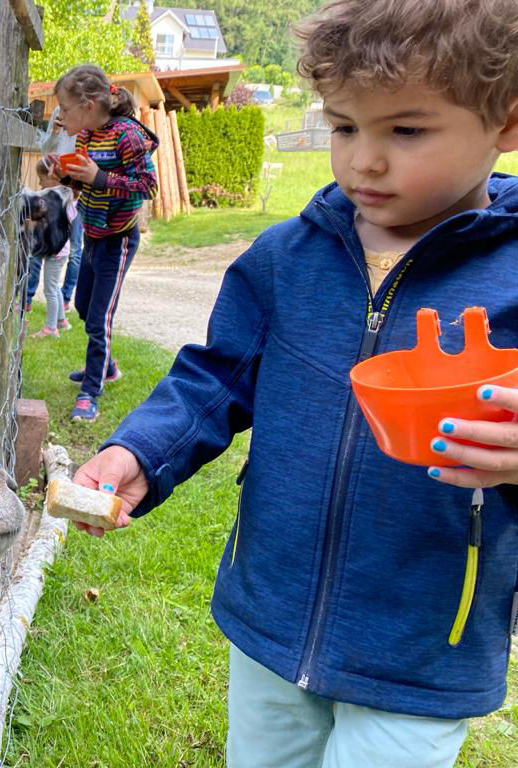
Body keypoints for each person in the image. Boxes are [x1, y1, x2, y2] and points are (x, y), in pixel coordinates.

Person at [70, 0, 518, 765]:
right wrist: (140, 451)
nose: (362, 162)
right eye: (344, 126)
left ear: (506, 123)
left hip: (422, 643)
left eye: (406, 131)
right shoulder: (288, 257)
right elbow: (216, 377)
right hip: (271, 610)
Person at [45, 65, 158, 422]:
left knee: (99, 317)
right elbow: (85, 185)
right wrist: (65, 176)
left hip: (118, 240)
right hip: (91, 235)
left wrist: (100, 176)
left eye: (65, 108)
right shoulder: (85, 138)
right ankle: (107, 366)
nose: (60, 116)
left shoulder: (126, 135)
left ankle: (90, 390)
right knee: (81, 305)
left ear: (89, 105)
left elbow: (147, 186)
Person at [30, 158, 77, 338]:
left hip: (56, 252)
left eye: (42, 178)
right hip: (59, 251)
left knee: (49, 289)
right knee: (54, 286)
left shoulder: (62, 202)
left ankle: (50, 328)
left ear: (54, 178)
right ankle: (61, 320)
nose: (41, 183)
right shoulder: (65, 199)